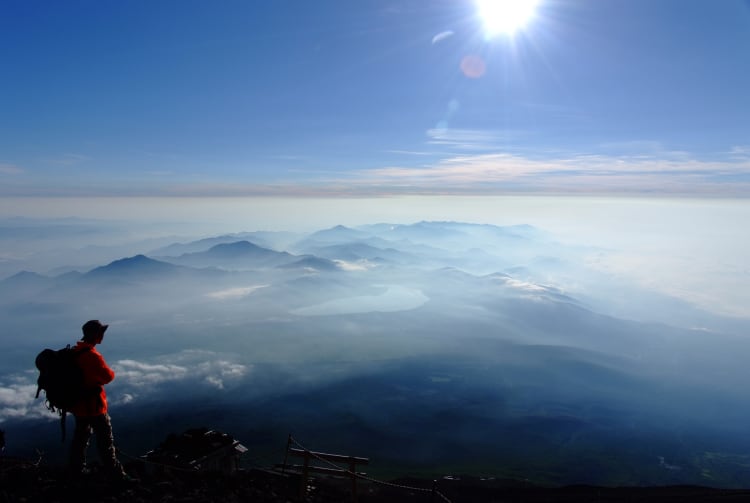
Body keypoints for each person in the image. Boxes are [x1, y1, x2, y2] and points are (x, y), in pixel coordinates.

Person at [68, 319, 130, 480]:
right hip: (95, 406)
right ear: (95, 335)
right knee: (105, 442)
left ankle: (76, 470)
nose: (102, 335)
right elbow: (107, 376)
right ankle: (116, 475)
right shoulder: (91, 355)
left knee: (80, 438)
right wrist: (112, 373)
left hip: (78, 405)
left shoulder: (75, 351)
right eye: (101, 332)